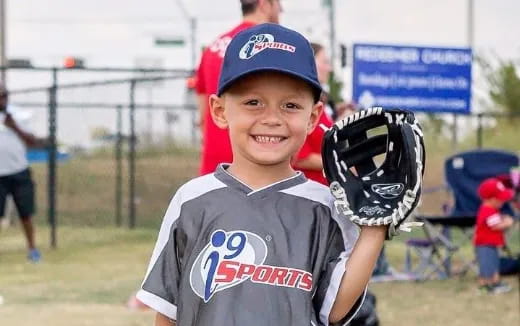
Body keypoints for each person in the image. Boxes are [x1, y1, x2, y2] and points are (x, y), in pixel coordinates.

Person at [137, 23, 386, 326]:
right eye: (253, 102)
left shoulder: (325, 207)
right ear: (219, 110)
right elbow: (169, 311)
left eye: (290, 105)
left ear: (313, 117)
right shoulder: (191, 200)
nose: (271, 119)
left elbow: (335, 309)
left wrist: (375, 228)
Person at [195, 0, 282, 176]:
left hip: (213, 165)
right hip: (252, 166)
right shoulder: (269, 46)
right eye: (278, 5)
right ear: (264, 5)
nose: (281, 11)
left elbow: (203, 113)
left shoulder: (213, 47)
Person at [0, 82, 45, 262]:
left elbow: (32, 141)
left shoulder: (17, 115)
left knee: (25, 214)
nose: (2, 99)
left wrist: (14, 126)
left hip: (19, 172)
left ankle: (32, 249)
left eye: (4, 96)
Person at [474, 177, 516, 294]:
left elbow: (496, 220)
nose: (503, 201)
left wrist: (503, 218)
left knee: (494, 264)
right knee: (487, 265)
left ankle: (495, 282)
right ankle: (486, 285)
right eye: (500, 199)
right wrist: (508, 222)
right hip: (485, 245)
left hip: (492, 244)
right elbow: (495, 226)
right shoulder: (487, 210)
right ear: (491, 199)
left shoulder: (493, 210)